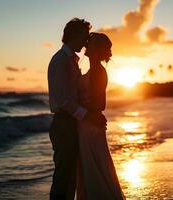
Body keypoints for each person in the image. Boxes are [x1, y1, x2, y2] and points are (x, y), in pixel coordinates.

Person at [47, 18, 105, 200]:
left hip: (73, 123)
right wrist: (89, 116)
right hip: (64, 124)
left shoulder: (71, 60)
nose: (86, 41)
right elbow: (63, 100)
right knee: (64, 174)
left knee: (71, 174)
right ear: (74, 35)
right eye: (84, 37)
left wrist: (91, 115)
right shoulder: (60, 61)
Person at [76, 32, 125, 200]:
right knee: (92, 167)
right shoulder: (92, 69)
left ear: (96, 49)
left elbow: (100, 104)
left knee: (94, 167)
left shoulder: (98, 71)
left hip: (90, 125)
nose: (85, 44)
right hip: (87, 123)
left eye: (90, 43)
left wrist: (81, 111)